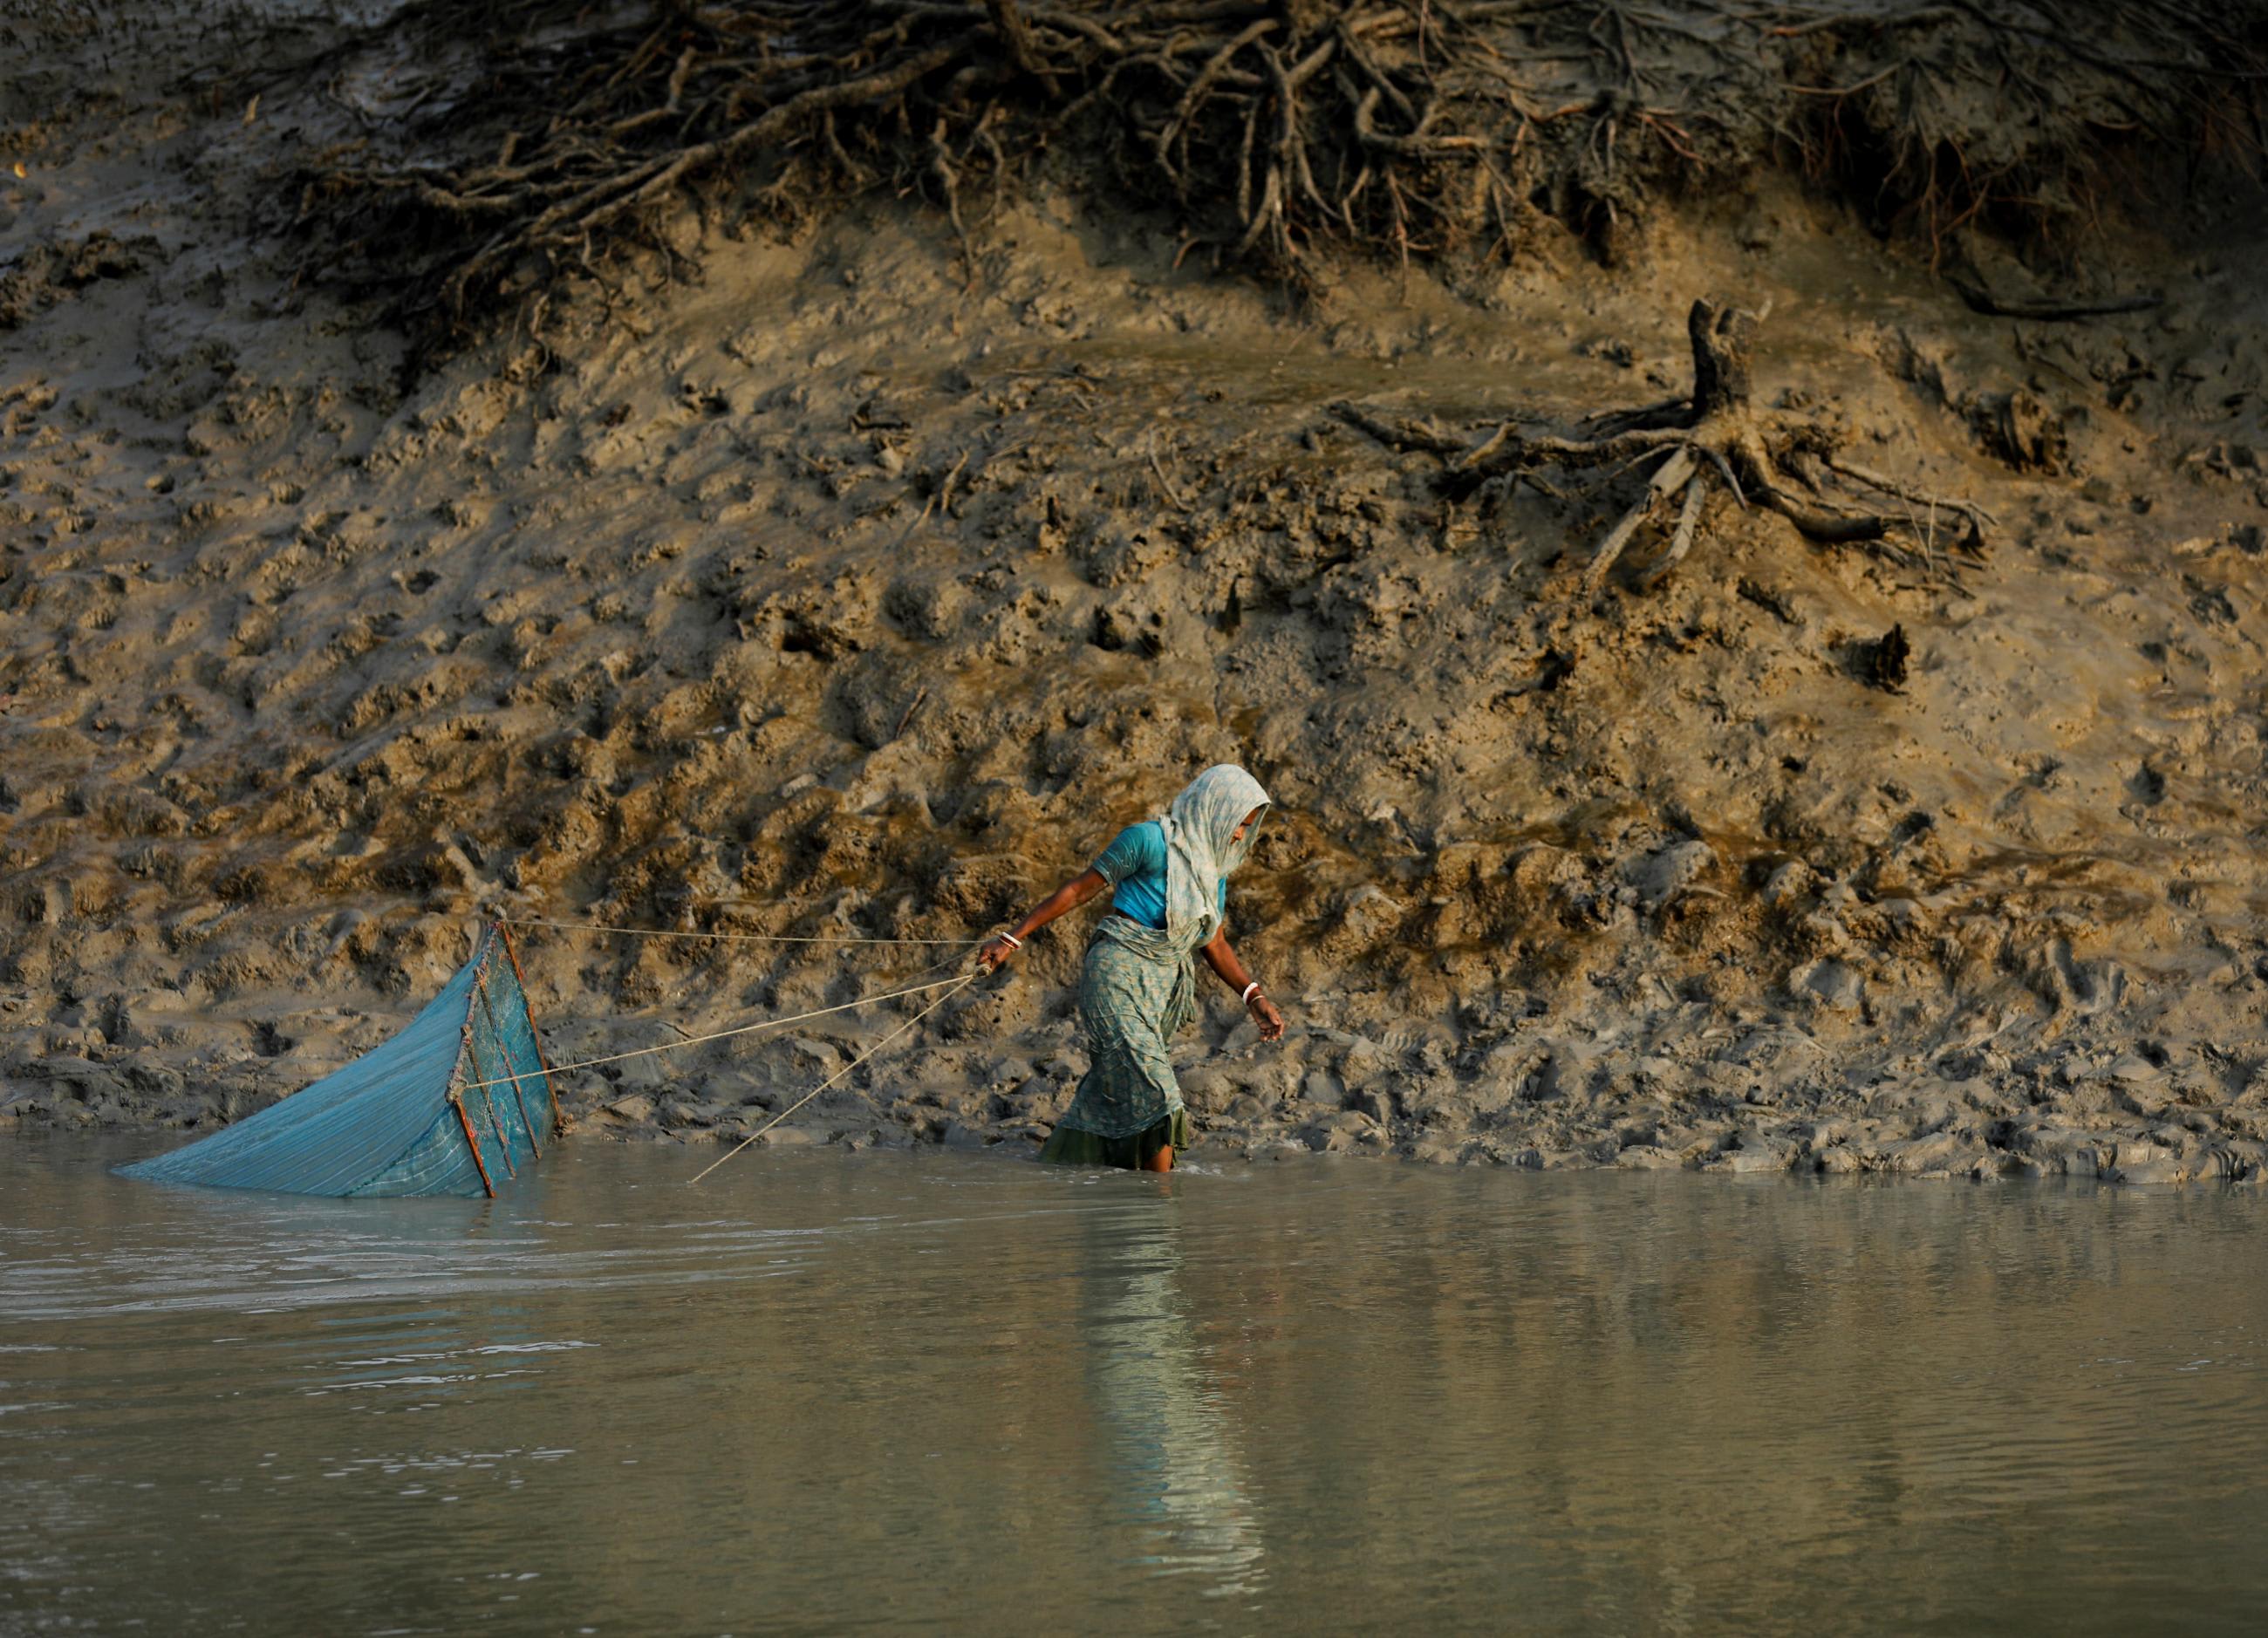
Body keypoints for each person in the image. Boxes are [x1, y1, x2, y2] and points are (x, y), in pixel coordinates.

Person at [979, 764, 1287, 1172]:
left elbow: (1213, 940)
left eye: (1247, 827)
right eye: (1238, 824)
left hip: (1157, 991)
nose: (1239, 835)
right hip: (1114, 976)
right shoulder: (1147, 840)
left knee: (1122, 1087)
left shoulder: (1215, 873)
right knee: (1158, 1091)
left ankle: (1104, 1184)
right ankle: (1161, 1207)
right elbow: (1077, 890)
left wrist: (1254, 996)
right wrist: (1011, 938)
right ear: (1214, 808)